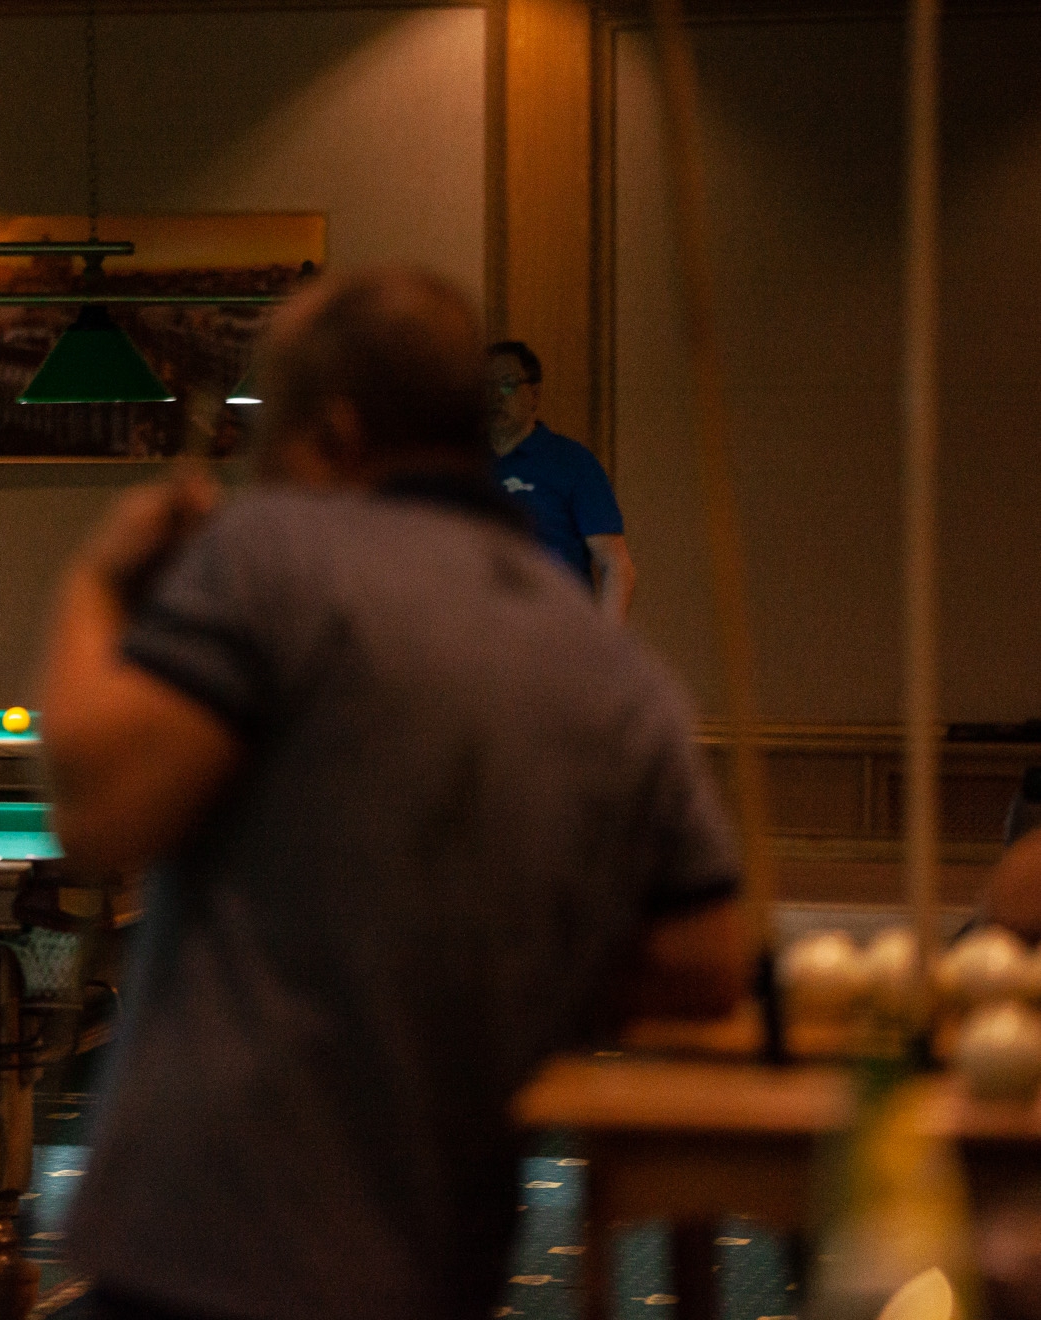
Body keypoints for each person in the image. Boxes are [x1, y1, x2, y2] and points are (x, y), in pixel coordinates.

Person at [39, 268, 746, 1320]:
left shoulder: (270, 557)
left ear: (334, 433)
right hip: (439, 1256)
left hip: (209, 1243)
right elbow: (706, 960)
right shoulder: (607, 665)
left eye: (270, 437)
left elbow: (101, 813)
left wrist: (101, 582)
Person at [487, 340, 636, 620]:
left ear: (534, 394)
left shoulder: (571, 462)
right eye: (486, 386)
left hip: (557, 627)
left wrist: (602, 641)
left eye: (507, 385)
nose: (495, 396)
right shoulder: (464, 465)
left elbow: (616, 566)